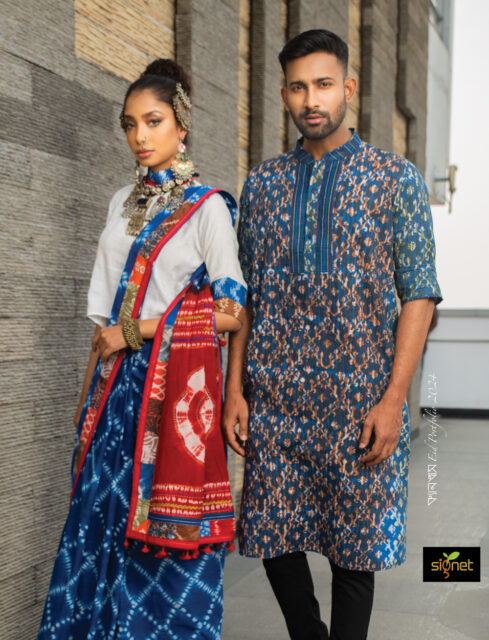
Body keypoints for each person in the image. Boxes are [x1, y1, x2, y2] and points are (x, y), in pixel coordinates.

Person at [222, 29, 442, 640]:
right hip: (276, 401)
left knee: (354, 554)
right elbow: (244, 299)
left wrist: (394, 400)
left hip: (359, 401)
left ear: (348, 87)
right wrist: (234, 389)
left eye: (322, 84)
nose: (310, 99)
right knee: (270, 535)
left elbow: (419, 293)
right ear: (284, 95)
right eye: (297, 87)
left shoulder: (395, 178)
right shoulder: (262, 184)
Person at [37, 58, 247, 640]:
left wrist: (136, 333)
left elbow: (231, 312)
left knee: (156, 539)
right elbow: (103, 321)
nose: (140, 137)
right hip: (111, 393)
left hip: (169, 392)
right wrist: (85, 402)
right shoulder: (119, 203)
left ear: (181, 125)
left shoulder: (207, 207)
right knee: (97, 528)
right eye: (129, 124)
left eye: (153, 122)